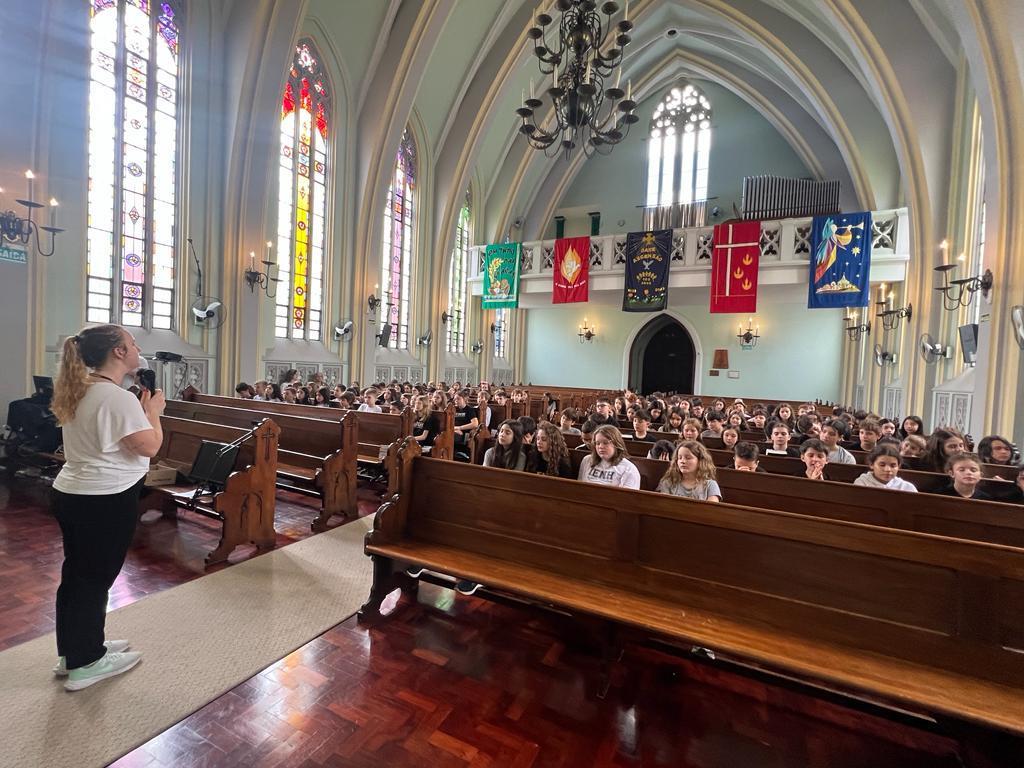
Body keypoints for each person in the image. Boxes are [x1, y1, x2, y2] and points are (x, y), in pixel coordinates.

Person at [49, 325, 162, 690]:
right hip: (104, 497)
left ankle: (75, 651)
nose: (137, 347)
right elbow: (148, 447)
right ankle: (87, 663)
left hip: (74, 492)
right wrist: (154, 412)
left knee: (78, 575)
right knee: (94, 579)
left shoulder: (80, 388)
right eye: (131, 343)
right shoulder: (117, 398)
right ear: (117, 352)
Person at [656, 441, 722, 502]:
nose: (683, 461)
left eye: (688, 458)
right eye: (680, 458)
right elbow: (663, 506)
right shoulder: (668, 482)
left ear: (700, 461)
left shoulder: (710, 485)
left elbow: (712, 510)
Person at [853, 444, 918, 492]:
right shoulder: (861, 483)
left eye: (893, 466)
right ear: (871, 464)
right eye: (882, 465)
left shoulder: (907, 487)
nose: (888, 470)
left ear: (899, 466)